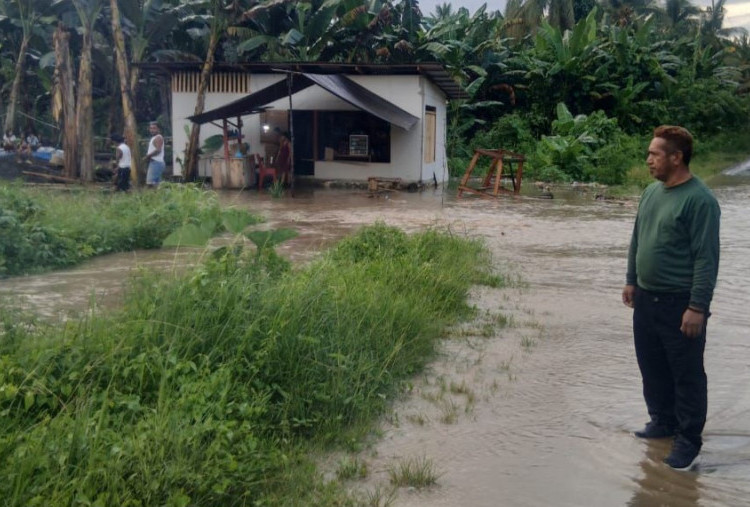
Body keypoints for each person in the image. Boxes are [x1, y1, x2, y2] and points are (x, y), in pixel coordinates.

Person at [622, 125, 720, 471]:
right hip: (646, 299)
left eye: (655, 154)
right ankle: (662, 421)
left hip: (680, 304)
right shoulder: (651, 192)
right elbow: (638, 236)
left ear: (676, 158)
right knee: (652, 368)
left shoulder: (701, 200)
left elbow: (706, 258)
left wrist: (698, 307)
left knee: (687, 374)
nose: (648, 160)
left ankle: (688, 441)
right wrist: (632, 279)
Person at [144, 121, 165, 186]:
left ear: (158, 129)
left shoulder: (158, 137)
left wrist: (148, 156)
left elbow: (158, 150)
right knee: (157, 185)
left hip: (156, 163)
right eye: (151, 128)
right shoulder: (154, 138)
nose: (152, 130)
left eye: (154, 128)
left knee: (151, 184)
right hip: (155, 163)